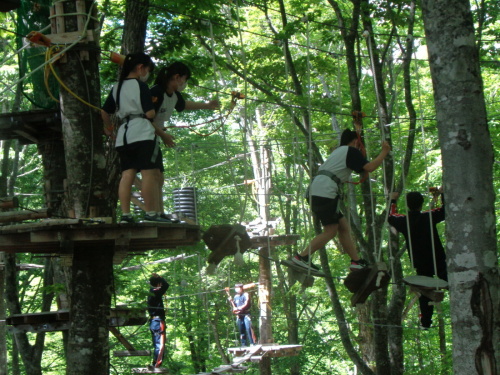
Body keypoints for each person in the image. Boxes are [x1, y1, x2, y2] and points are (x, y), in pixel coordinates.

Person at [293, 129, 391, 272]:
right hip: (325, 192)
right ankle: (301, 257)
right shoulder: (350, 151)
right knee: (331, 231)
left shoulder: (340, 152)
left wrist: (357, 126)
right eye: (360, 144)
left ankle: (356, 261)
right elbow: (369, 167)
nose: (360, 148)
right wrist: (384, 151)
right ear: (356, 141)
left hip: (319, 191)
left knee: (344, 227)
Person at [101, 52, 171, 223]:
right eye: (147, 69)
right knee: (148, 174)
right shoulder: (140, 86)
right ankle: (151, 213)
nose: (147, 74)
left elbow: (104, 110)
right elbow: (149, 113)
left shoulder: (117, 87)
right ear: (140, 68)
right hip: (142, 132)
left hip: (124, 135)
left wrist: (109, 128)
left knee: (127, 175)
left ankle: (125, 215)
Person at [149, 62, 220, 221]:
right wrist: (163, 135)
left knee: (159, 177)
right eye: (185, 79)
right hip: (145, 137)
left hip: (155, 137)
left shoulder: (174, 96)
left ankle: (160, 213)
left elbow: (184, 105)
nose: (185, 84)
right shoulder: (156, 92)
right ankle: (153, 213)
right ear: (177, 77)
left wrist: (207, 106)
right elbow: (145, 118)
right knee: (152, 175)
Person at [388, 188, 447, 329]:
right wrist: (441, 194)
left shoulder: (403, 221)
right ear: (421, 204)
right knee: (453, 282)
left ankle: (426, 322)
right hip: (437, 258)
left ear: (408, 205)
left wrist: (392, 200)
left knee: (426, 291)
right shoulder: (428, 216)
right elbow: (445, 210)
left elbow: (391, 216)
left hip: (420, 261)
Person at [147, 273, 170, 369]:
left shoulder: (151, 292)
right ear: (158, 284)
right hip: (158, 321)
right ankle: (157, 364)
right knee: (160, 344)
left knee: (157, 343)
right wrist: (160, 277)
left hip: (153, 322)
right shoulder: (155, 291)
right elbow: (166, 285)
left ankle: (155, 362)